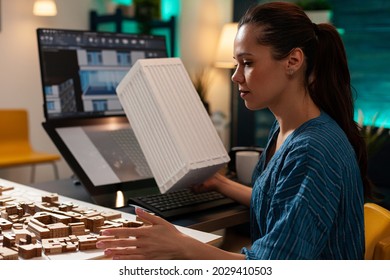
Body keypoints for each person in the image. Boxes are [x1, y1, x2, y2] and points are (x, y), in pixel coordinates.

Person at [96, 1, 370, 260]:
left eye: (248, 63)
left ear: (293, 61)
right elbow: (280, 202)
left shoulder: (313, 149)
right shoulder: (286, 129)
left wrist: (180, 245)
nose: (235, 75)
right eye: (237, 63)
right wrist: (220, 183)